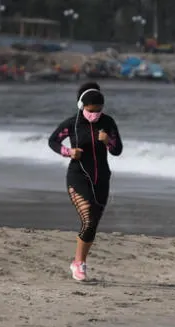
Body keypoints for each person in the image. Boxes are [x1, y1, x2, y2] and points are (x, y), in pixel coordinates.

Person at [48, 82, 123, 282]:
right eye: (91, 111)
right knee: (88, 220)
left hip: (102, 179)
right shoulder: (72, 124)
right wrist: (68, 152)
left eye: (98, 111)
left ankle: (78, 261)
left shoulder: (107, 123)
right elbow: (53, 141)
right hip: (78, 177)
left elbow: (117, 150)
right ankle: (79, 264)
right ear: (82, 106)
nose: (94, 114)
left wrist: (108, 142)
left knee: (92, 225)